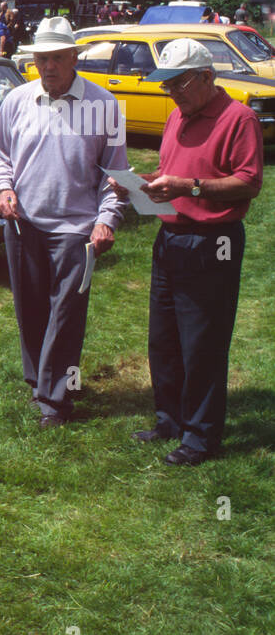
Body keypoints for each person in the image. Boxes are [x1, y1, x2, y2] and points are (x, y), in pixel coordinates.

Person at [111, 40, 262, 465]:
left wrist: (190, 187)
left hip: (212, 242)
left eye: (178, 84)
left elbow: (249, 182)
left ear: (207, 78)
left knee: (203, 343)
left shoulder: (239, 119)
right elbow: (168, 171)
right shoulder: (179, 115)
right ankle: (170, 420)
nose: (171, 93)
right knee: (164, 339)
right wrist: (140, 181)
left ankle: (200, 436)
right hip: (172, 239)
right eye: (166, 85)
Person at [0, 16, 129, 426]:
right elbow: (1, 158)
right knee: (29, 308)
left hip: (76, 228)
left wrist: (107, 219)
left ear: (74, 58)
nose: (47, 67)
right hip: (23, 223)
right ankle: (40, 380)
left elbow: (115, 175)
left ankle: (54, 399)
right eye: (40, 59)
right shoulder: (17, 101)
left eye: (56, 58)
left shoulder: (103, 106)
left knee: (66, 314)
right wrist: (3, 190)